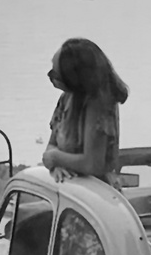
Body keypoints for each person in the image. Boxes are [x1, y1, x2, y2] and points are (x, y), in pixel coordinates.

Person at [41, 37, 129, 183]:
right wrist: (56, 166)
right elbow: (51, 146)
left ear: (73, 78)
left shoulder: (99, 105)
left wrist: (55, 158)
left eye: (55, 75)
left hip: (96, 195)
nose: (51, 77)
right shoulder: (65, 99)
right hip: (70, 190)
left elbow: (93, 163)